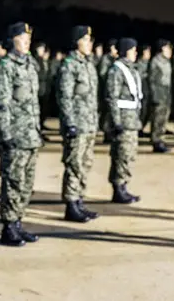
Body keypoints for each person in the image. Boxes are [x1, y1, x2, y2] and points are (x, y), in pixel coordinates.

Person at [0, 22, 42, 247]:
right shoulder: (6, 66)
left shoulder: (31, 64)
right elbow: (1, 104)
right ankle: (9, 227)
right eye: (23, 38)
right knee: (13, 181)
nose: (27, 42)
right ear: (13, 40)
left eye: (28, 38)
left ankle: (19, 222)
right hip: (15, 136)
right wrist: (5, 135)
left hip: (31, 135)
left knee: (26, 182)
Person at [57, 26, 100, 222]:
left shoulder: (88, 64)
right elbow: (65, 97)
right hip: (77, 125)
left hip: (89, 124)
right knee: (74, 164)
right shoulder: (69, 65)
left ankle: (80, 201)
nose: (90, 43)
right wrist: (70, 123)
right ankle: (71, 204)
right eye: (86, 40)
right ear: (77, 42)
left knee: (85, 164)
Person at [106, 38, 142, 204]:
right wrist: (116, 121)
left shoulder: (131, 69)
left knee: (129, 155)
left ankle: (124, 186)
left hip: (132, 120)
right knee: (121, 155)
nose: (136, 53)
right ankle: (118, 188)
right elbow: (112, 97)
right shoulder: (117, 70)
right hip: (123, 121)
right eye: (133, 50)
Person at [148, 39, 173, 152]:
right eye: (168, 48)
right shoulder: (156, 61)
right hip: (158, 92)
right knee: (157, 119)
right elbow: (152, 80)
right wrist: (155, 96)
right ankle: (156, 141)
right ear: (162, 48)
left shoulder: (166, 61)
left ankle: (161, 139)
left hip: (166, 92)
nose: (170, 51)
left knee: (164, 118)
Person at [34, 42, 51, 132]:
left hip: (44, 88)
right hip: (39, 89)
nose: (42, 51)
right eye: (40, 49)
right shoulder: (36, 60)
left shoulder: (43, 60)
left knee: (44, 109)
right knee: (39, 110)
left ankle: (41, 126)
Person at [136, 45, 152, 137]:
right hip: (142, 90)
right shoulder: (139, 63)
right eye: (147, 52)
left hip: (147, 90)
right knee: (142, 111)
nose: (148, 54)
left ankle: (141, 128)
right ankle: (139, 129)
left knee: (147, 112)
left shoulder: (149, 63)